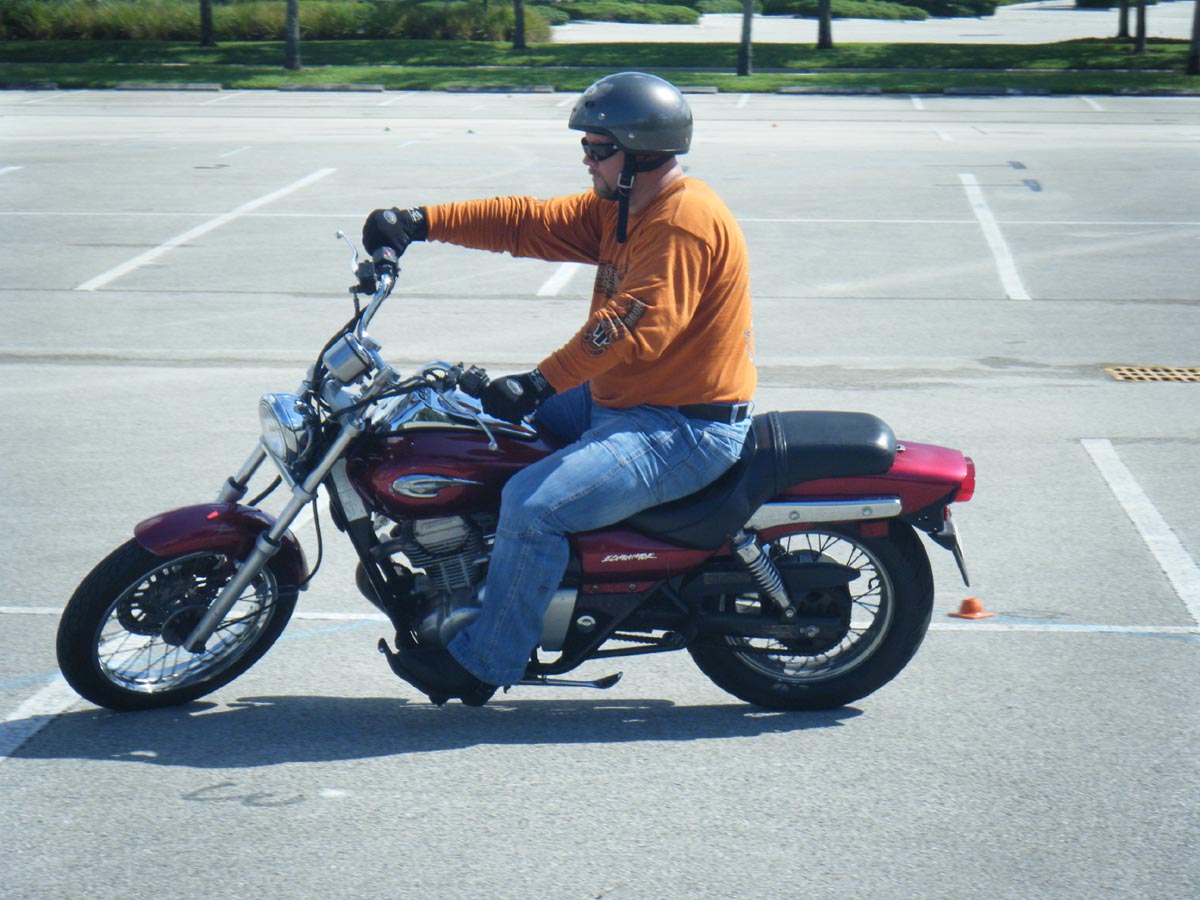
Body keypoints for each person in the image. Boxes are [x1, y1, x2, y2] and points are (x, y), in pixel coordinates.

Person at [362, 71, 757, 706]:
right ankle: (488, 578)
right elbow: (528, 222)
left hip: (683, 426)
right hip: (625, 399)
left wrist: (539, 383)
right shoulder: (625, 208)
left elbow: (631, 327)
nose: (587, 159)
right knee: (484, 432)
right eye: (587, 146)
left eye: (599, 148)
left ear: (640, 152)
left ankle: (486, 660)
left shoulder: (681, 222)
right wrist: (420, 221)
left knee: (533, 504)